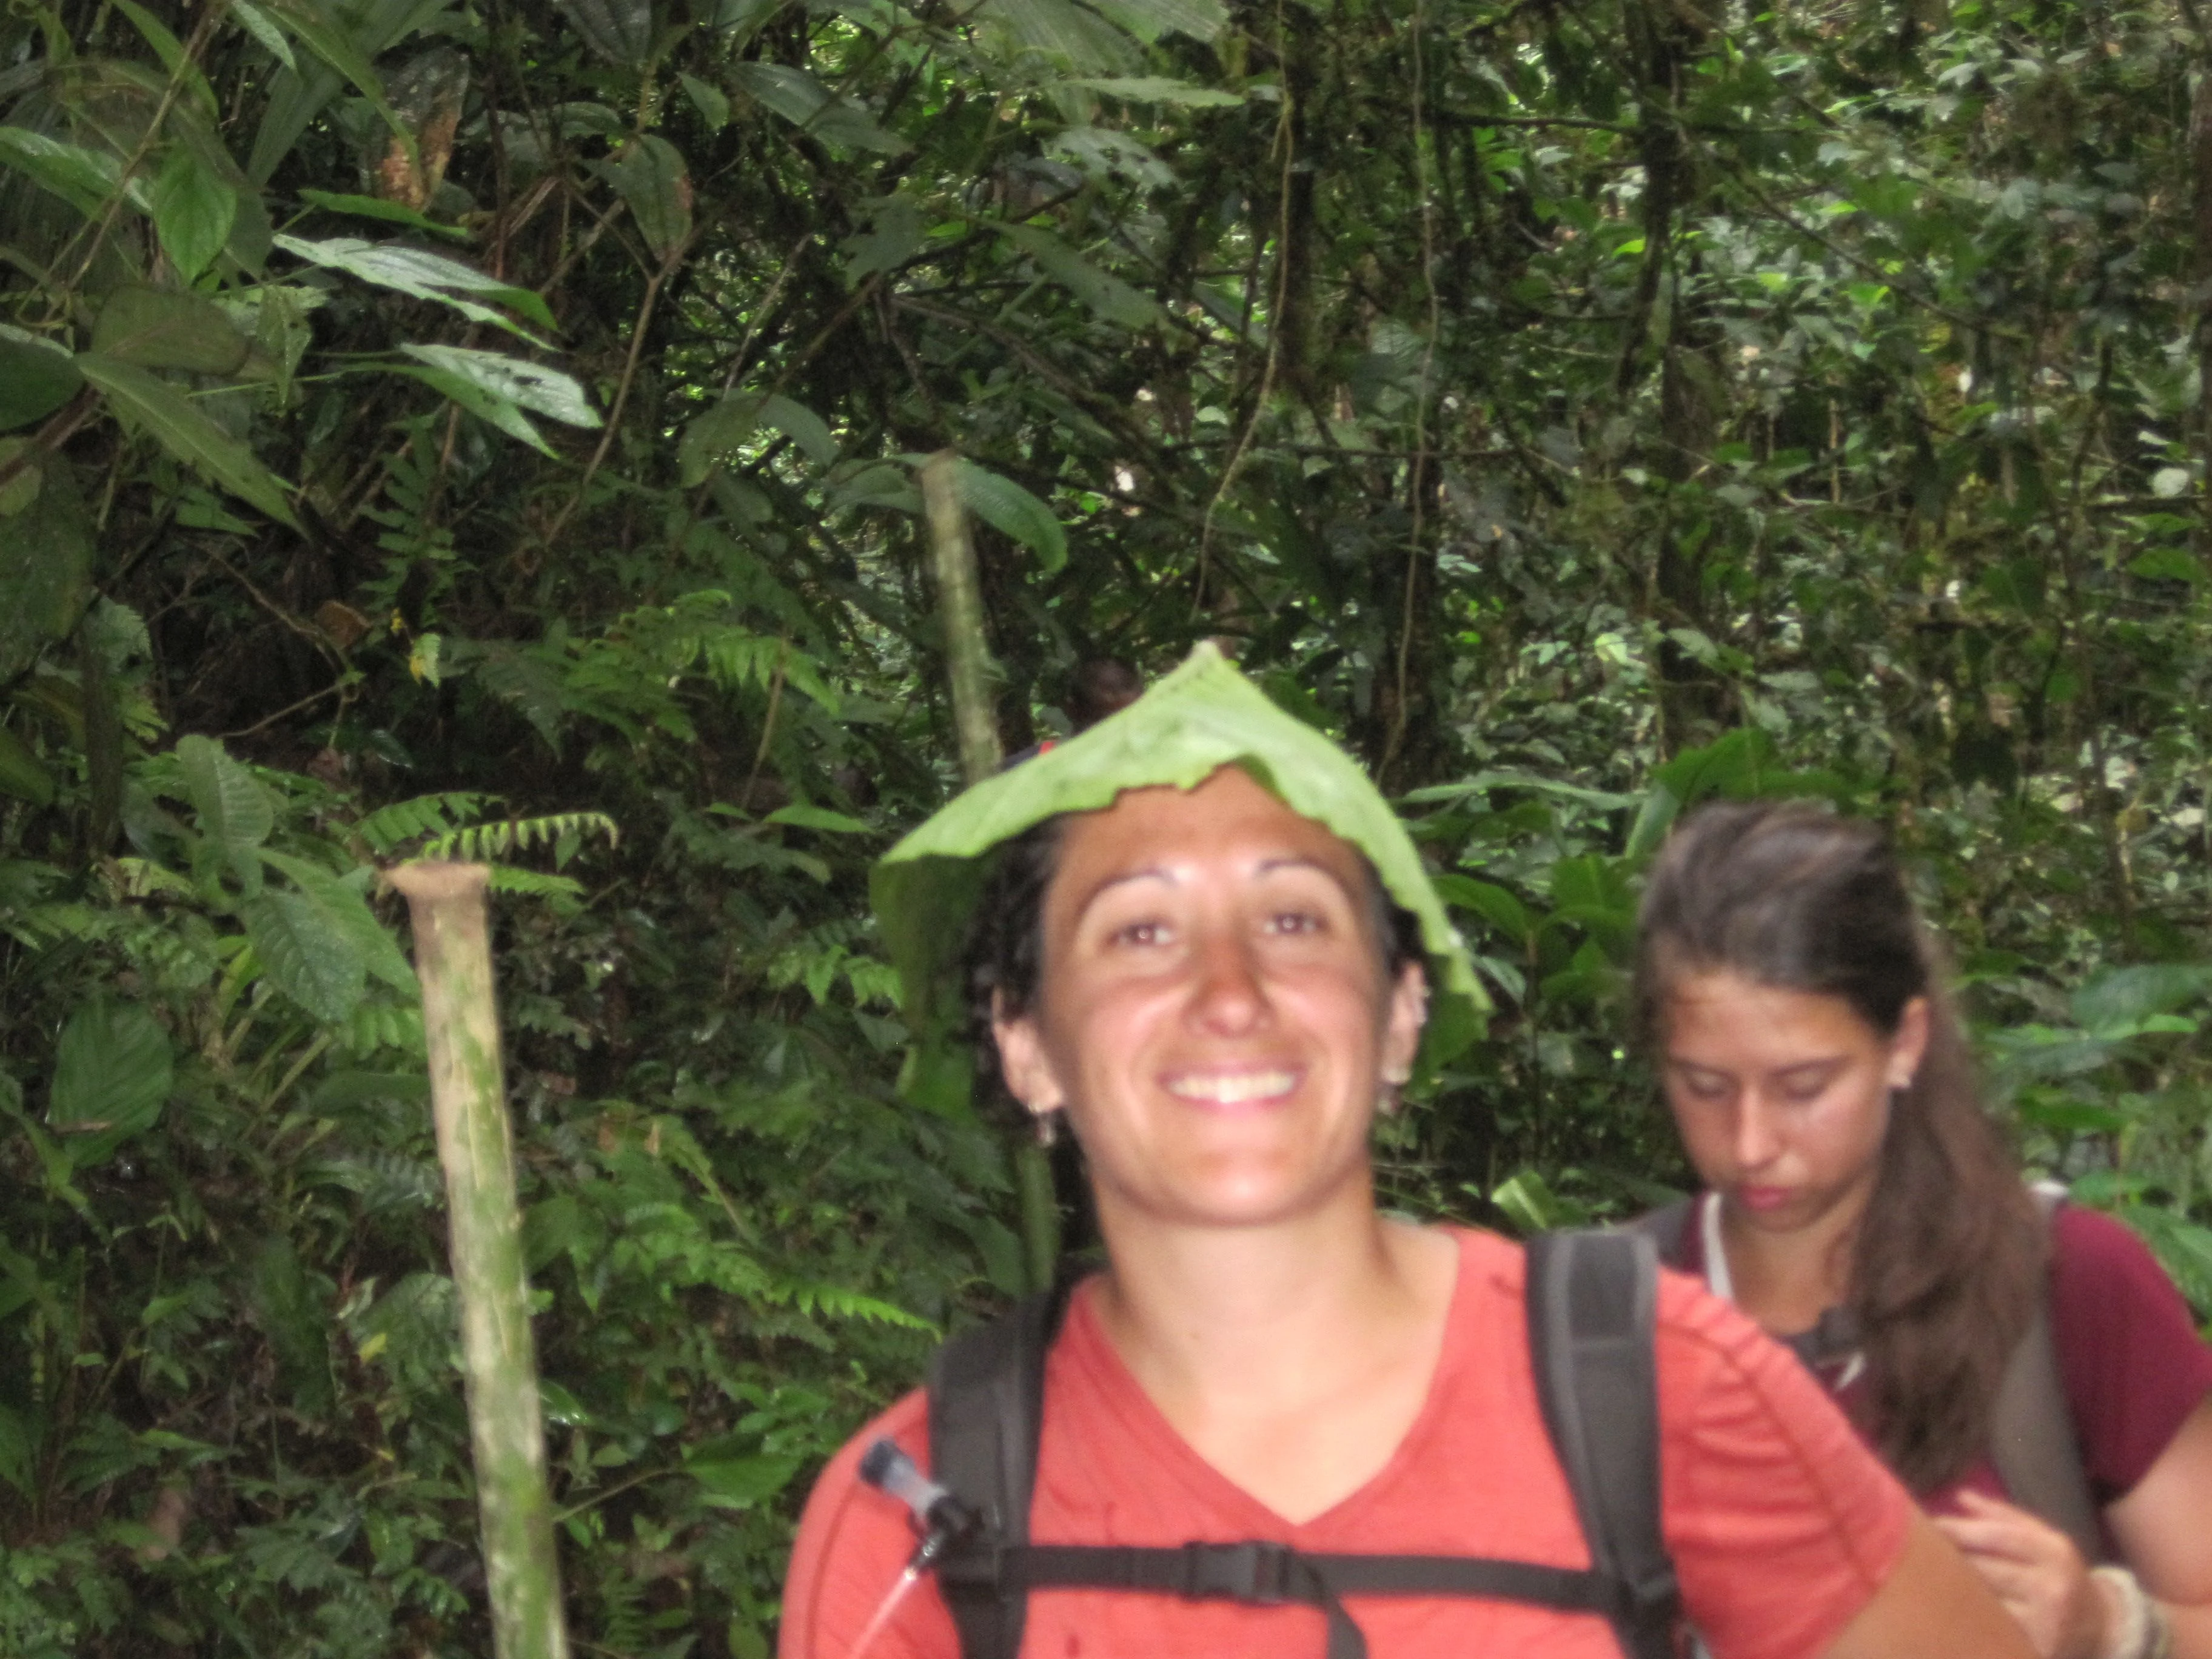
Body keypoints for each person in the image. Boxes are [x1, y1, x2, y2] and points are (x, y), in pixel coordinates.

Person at [781, 643, 2033, 1659]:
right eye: (1141, 933)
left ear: (1400, 1014)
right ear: (1026, 1043)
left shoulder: (1651, 1383)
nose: (1231, 992)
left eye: (1292, 919)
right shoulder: (920, 1509)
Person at [1634, 800, 2212, 1659]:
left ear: (1904, 1041)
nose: (1752, 1145)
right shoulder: (1608, 1321)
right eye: (1706, 1087)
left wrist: (2113, 1628)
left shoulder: (2066, 1284)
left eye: (1804, 1088)